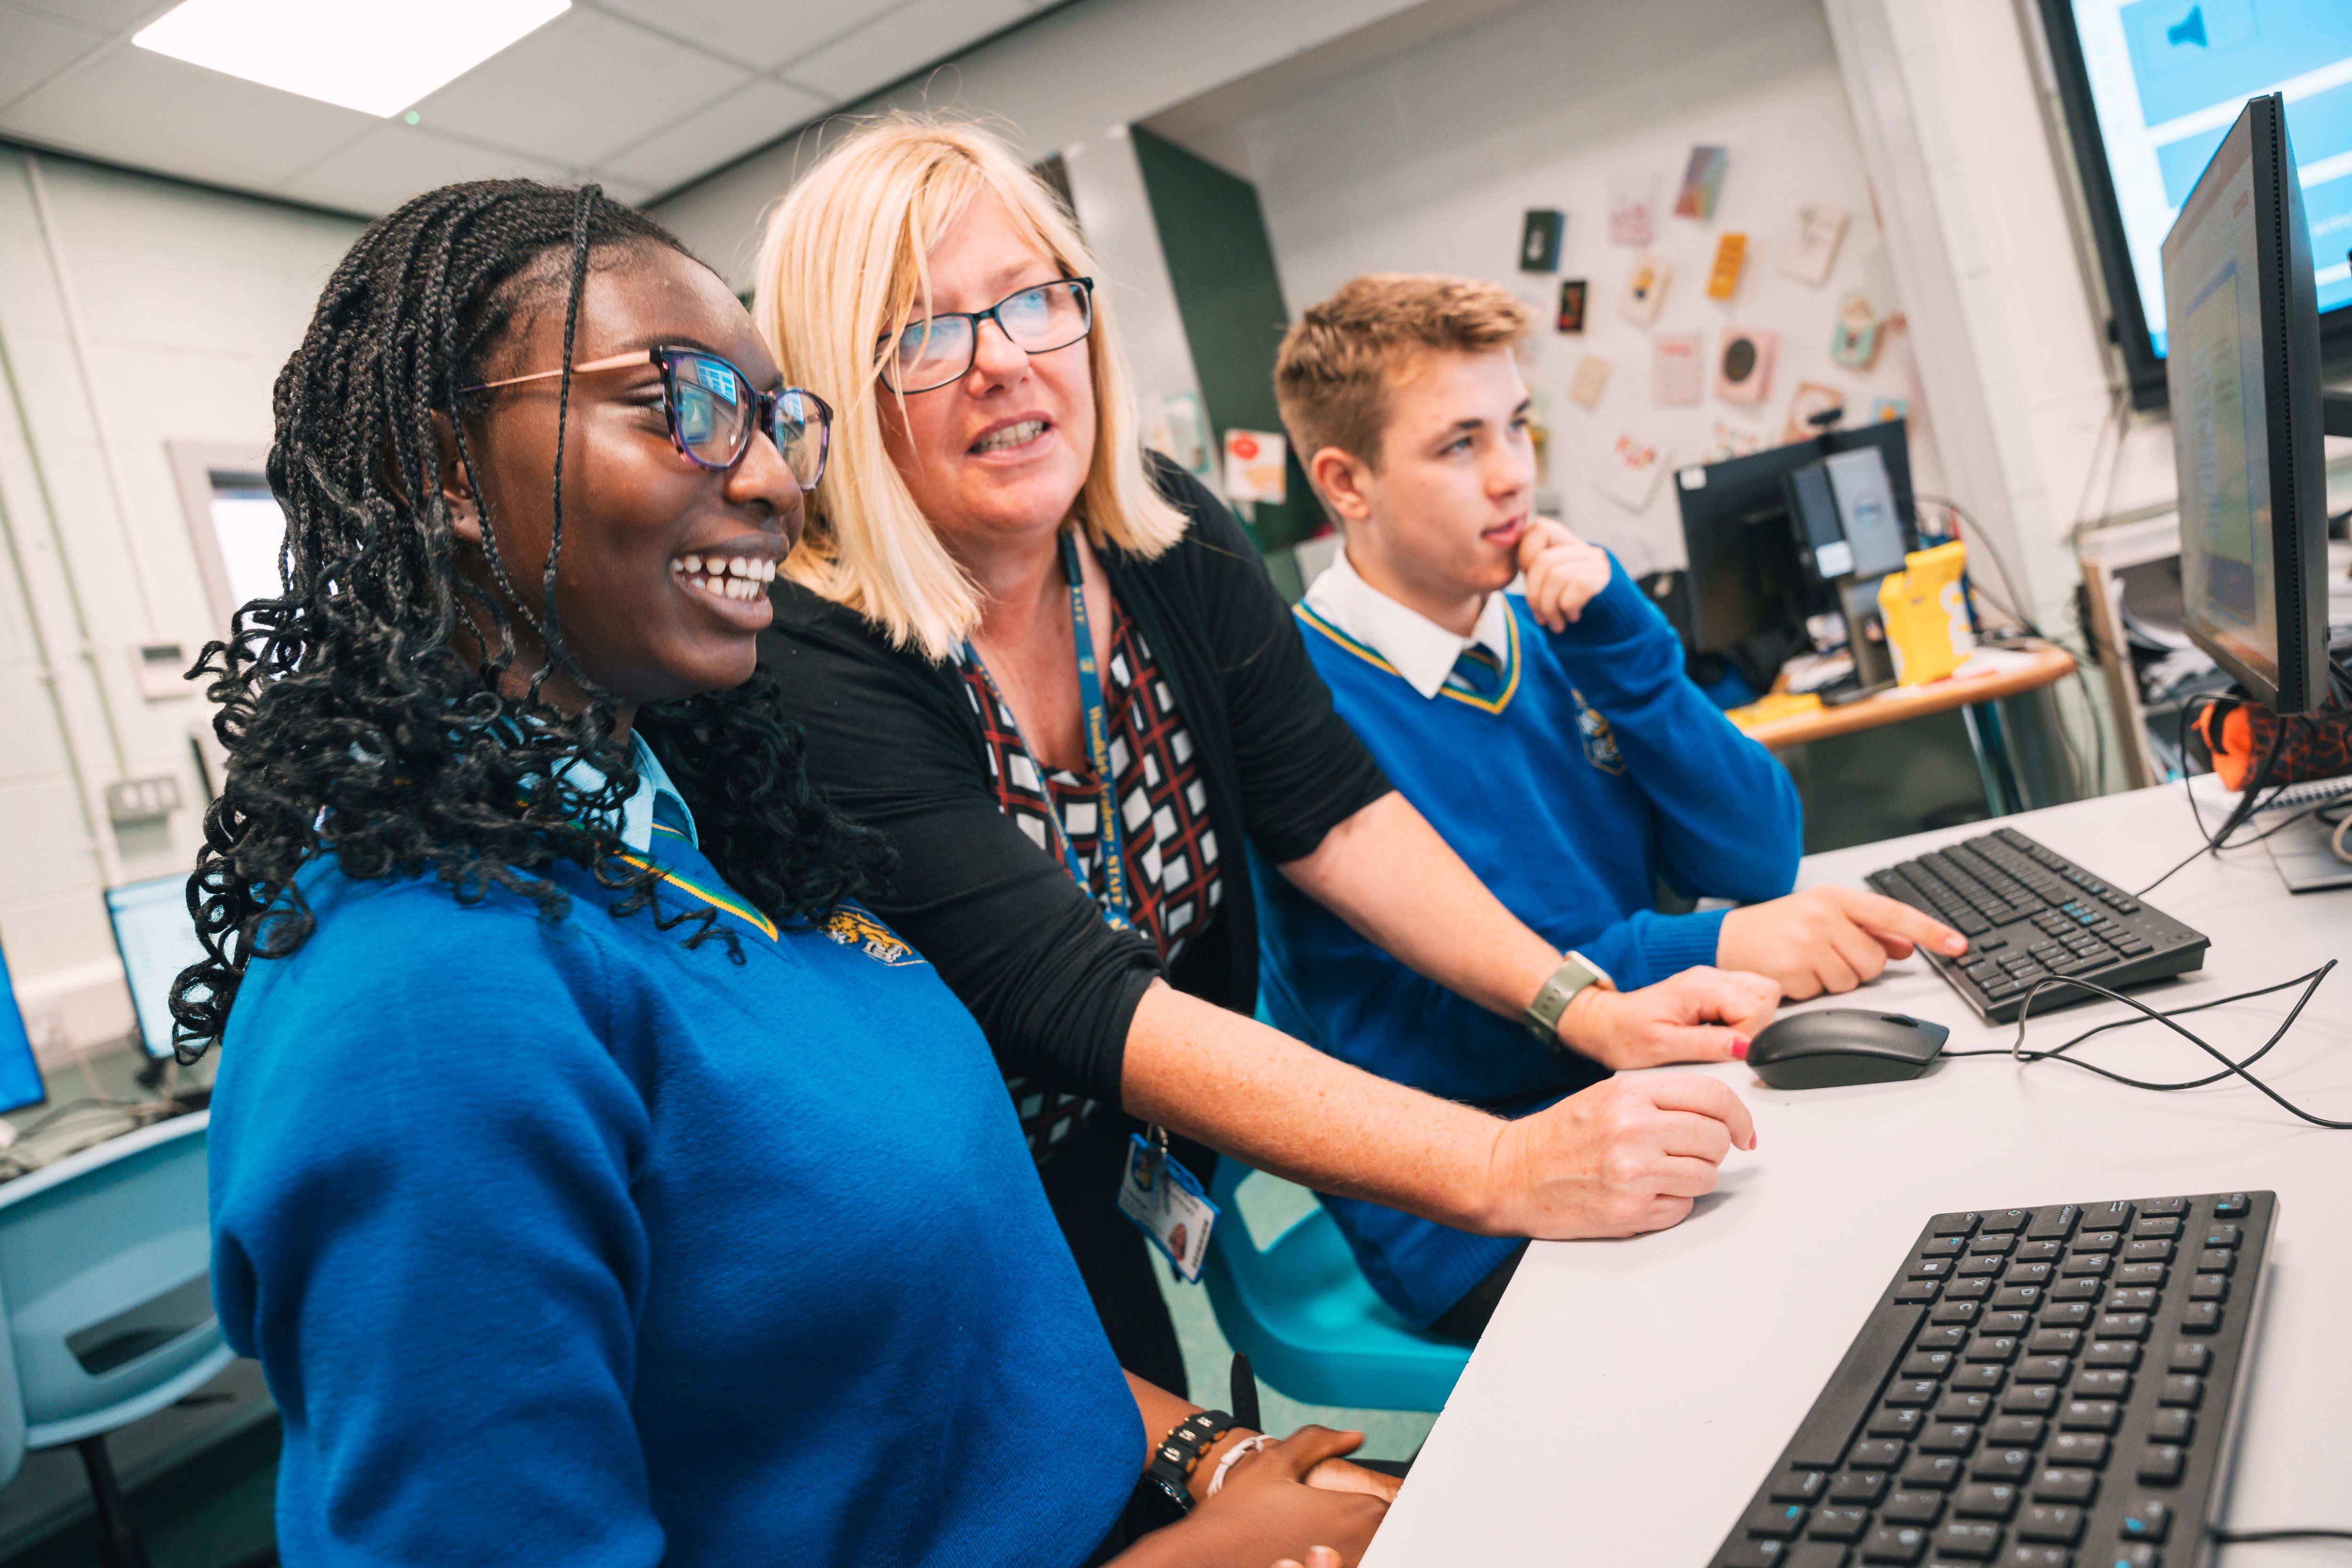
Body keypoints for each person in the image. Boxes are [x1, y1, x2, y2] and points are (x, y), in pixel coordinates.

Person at [180, 178, 1386, 1567]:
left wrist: (1196, 1453)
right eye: (679, 403)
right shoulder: (421, 1002)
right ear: (441, 472)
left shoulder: (695, 832)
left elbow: (877, 1331)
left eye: (773, 417)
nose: (765, 475)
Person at [750, 115, 1776, 1391]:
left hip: (1116, 1145)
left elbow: (1334, 815)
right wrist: (1501, 1169)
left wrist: (1585, 1001)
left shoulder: (1164, 531)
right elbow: (1076, 997)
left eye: (1030, 301)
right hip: (924, 1218)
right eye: (924, 329)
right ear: (836, 391)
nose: (1004, 361)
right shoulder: (810, 653)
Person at [1257, 272, 1969, 1337]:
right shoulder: (1298, 708)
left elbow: (1758, 850)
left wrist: (1625, 650)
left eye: (1517, 427)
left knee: (1933, 1182)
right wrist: (1713, 943)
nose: (1511, 478)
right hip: (1476, 1197)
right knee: (1858, 1297)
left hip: (1645, 1090)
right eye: (1459, 446)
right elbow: (1438, 1031)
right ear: (1345, 483)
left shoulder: (1555, 628)